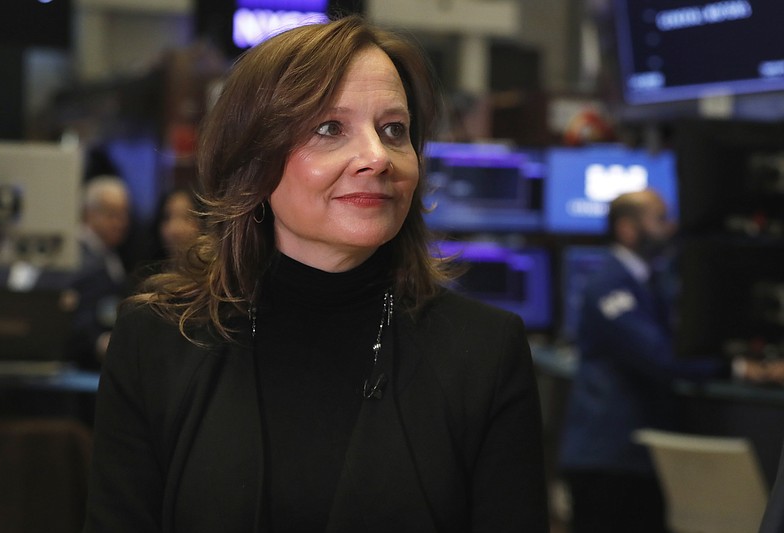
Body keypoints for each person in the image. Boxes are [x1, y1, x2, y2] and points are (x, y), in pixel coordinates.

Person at [84, 15, 549, 533]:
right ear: (253, 158)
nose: (377, 157)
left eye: (394, 130)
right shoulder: (157, 341)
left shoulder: (485, 352)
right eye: (330, 128)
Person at [557, 189, 740, 533]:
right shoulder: (610, 286)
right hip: (607, 459)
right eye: (660, 219)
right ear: (627, 229)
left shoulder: (651, 283)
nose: (670, 228)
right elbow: (660, 356)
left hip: (637, 459)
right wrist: (737, 368)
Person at [69, 175, 131, 369]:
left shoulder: (109, 253)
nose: (120, 222)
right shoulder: (74, 256)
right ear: (88, 214)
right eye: (111, 214)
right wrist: (97, 341)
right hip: (78, 361)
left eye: (124, 214)